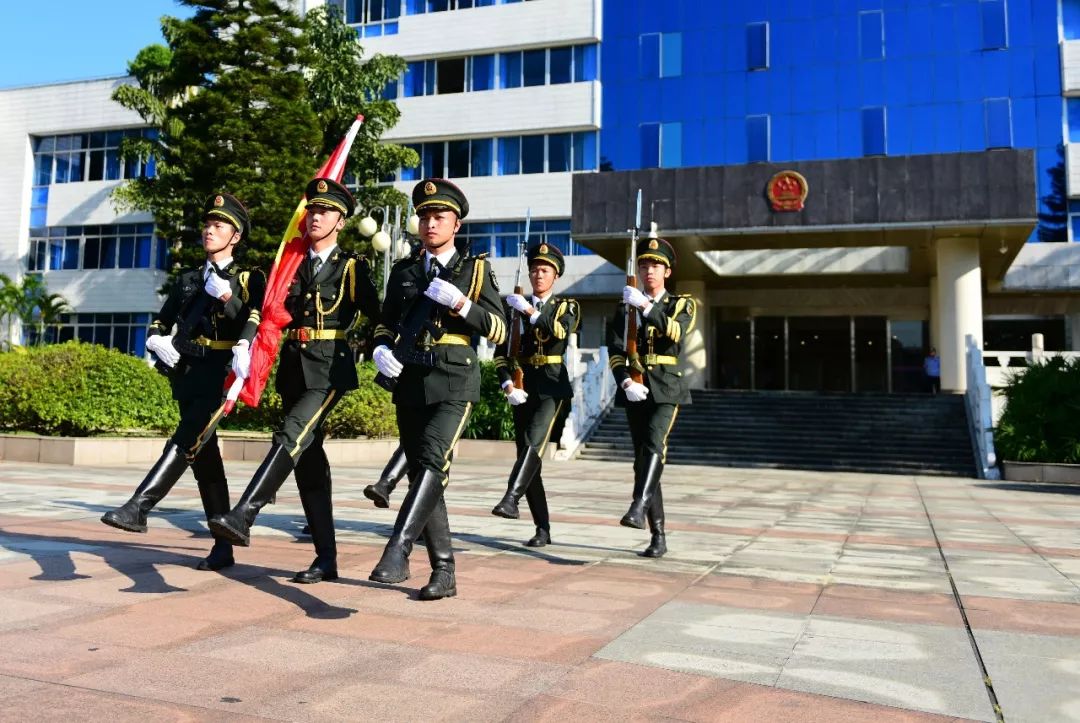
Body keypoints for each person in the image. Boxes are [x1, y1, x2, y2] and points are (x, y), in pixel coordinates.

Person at [209, 178, 379, 584]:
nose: (315, 216)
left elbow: (378, 313)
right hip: (293, 369)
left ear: (340, 221)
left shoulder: (351, 266)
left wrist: (373, 346)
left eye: (325, 212)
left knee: (290, 435)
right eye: (312, 210)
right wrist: (239, 325)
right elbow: (265, 312)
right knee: (308, 464)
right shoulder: (292, 265)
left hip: (329, 368)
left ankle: (245, 513)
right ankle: (326, 558)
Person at [101, 193, 264, 572]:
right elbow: (162, 319)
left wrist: (226, 296)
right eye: (207, 224)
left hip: (220, 375)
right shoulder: (189, 278)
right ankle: (223, 548)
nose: (210, 231)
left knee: (187, 437)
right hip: (187, 372)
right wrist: (156, 340)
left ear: (235, 236)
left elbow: (253, 321)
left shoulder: (247, 277)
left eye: (219, 226)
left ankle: (138, 507)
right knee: (206, 463)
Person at [370, 178, 505, 600]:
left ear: (456, 224)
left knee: (432, 461)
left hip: (454, 379)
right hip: (409, 379)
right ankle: (444, 572)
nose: (430, 223)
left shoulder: (475, 269)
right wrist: (378, 349)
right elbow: (384, 322)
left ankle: (398, 548)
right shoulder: (406, 271)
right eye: (425, 216)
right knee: (423, 474)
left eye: (439, 217)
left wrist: (464, 305)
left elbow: (499, 329)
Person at [607, 237, 696, 559]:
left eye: (655, 266)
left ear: (667, 271)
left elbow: (676, 332)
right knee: (643, 459)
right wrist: (626, 381)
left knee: (655, 445)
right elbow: (616, 351)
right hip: (636, 387)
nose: (649, 271)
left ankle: (638, 504)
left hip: (667, 387)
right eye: (644, 266)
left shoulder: (681, 303)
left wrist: (645, 306)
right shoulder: (624, 308)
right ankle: (658, 535)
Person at [491, 242, 579, 547]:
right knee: (529, 459)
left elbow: (560, 332)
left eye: (544, 270)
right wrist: (507, 385)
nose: (538, 275)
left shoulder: (566, 306)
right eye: (534, 270)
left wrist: (528, 311)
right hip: (523, 386)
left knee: (532, 447)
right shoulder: (512, 309)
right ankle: (543, 528)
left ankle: (510, 497)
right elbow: (500, 353)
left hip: (552, 386)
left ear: (555, 276)